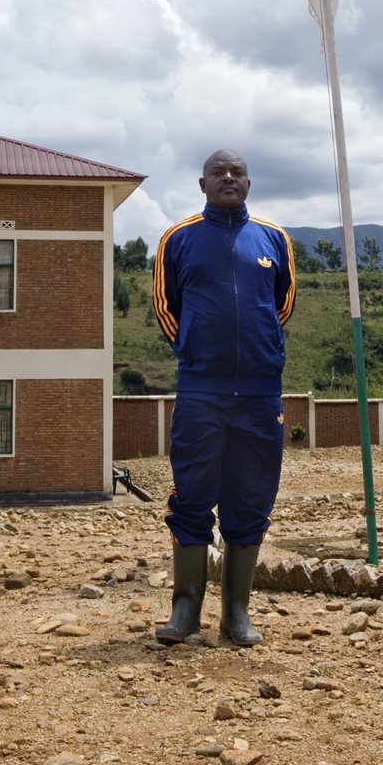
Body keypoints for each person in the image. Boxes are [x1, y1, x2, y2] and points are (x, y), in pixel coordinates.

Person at [152, 149, 296, 646]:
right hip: (201, 389)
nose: (228, 177)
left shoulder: (274, 239)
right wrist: (195, 349)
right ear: (203, 184)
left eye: (237, 172)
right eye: (218, 172)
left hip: (260, 391)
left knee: (251, 495)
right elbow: (166, 305)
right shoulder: (178, 238)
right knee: (192, 495)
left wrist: (261, 349)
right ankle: (185, 611)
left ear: (249, 184)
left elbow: (282, 304)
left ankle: (237, 614)